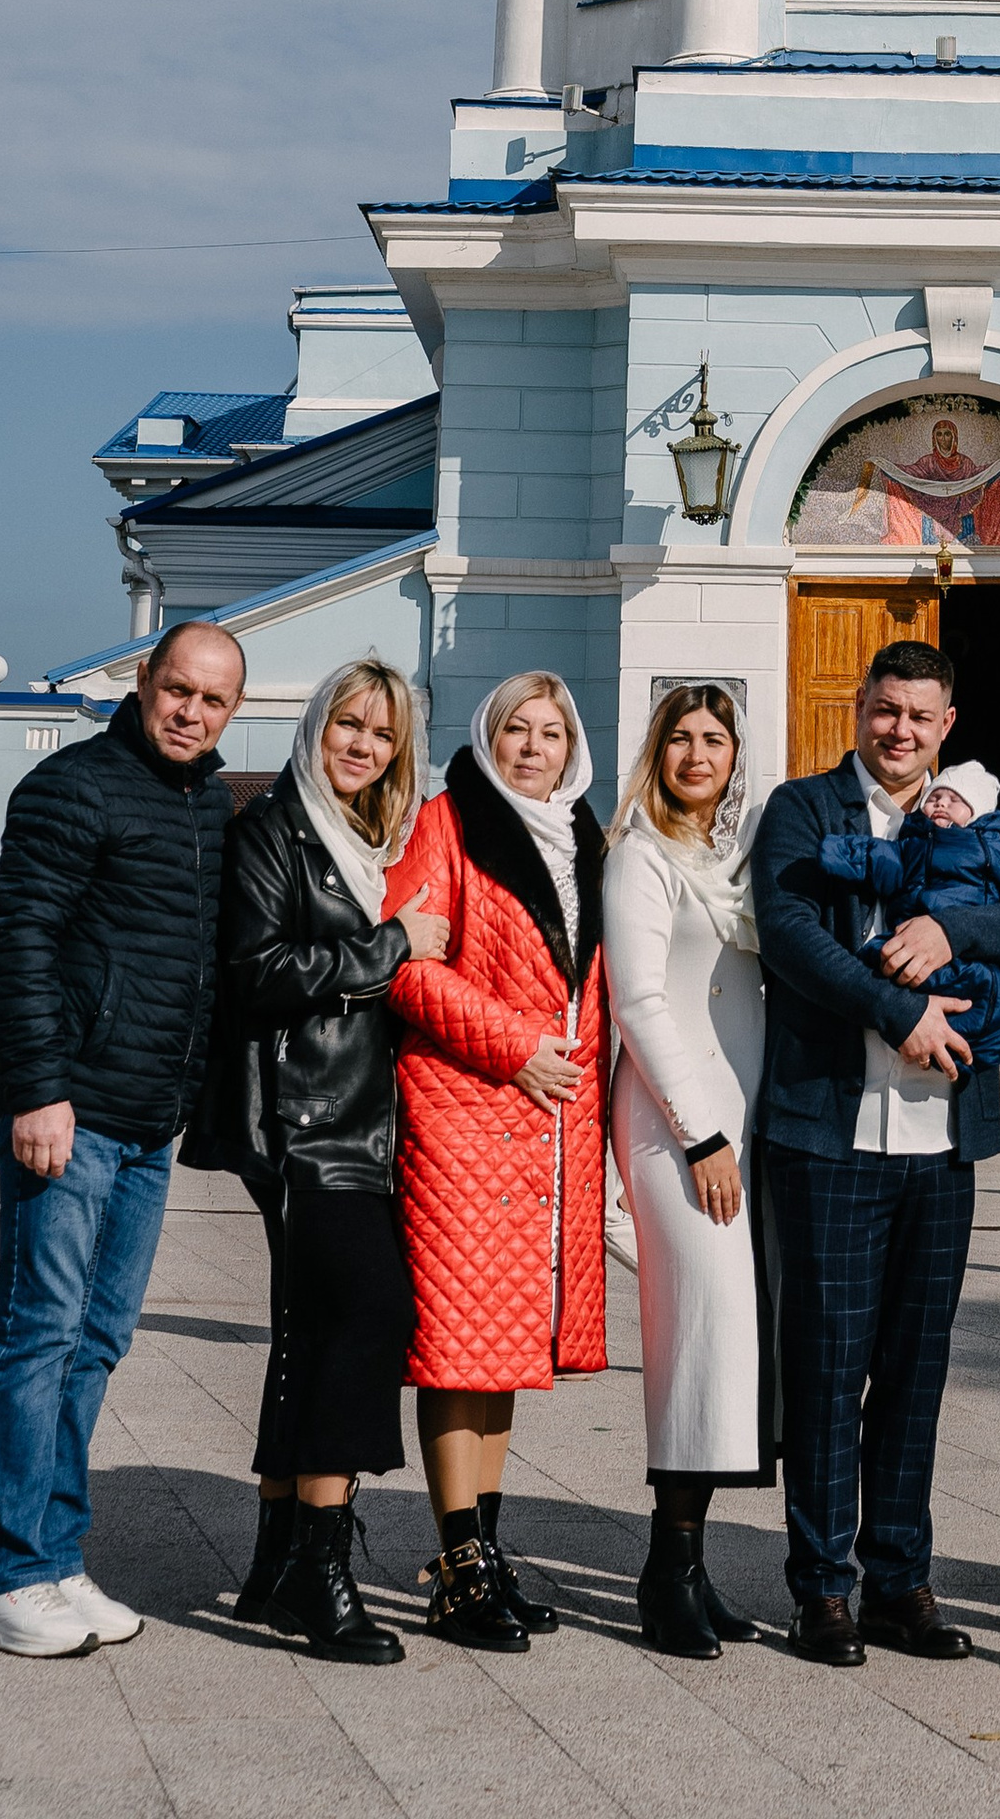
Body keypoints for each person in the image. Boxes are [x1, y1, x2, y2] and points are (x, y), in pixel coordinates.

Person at [751, 637, 1000, 1665]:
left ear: (947, 726)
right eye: (886, 710)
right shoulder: (804, 810)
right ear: (861, 707)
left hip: (942, 1146)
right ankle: (822, 1588)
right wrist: (901, 1013)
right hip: (830, 1133)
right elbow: (792, 933)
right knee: (830, 1370)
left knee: (914, 1372)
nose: (900, 731)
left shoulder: (976, 817)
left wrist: (946, 926)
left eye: (921, 717)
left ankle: (899, 1579)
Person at [0, 618, 245, 1656]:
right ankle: (5, 1577)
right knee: (38, 1332)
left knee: (97, 1340)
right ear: (142, 680)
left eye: (213, 700)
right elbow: (15, 939)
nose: (191, 712)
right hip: (68, 1113)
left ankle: (56, 1555)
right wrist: (35, 1090)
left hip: (146, 1124)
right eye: (178, 689)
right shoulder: (73, 786)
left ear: (231, 711)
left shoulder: (207, 800)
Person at [185, 658, 440, 1663]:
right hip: (302, 1122)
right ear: (316, 725)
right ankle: (323, 1576)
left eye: (380, 734)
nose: (362, 745)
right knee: (372, 1312)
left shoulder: (373, 839)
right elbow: (257, 973)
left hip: (362, 1119)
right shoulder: (273, 830)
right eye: (348, 723)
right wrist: (389, 947)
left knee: (302, 1331)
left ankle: (274, 1558)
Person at [385, 671, 609, 1653]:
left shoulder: (586, 835)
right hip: (466, 1110)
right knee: (457, 1347)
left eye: (550, 731)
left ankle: (484, 1551)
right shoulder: (448, 820)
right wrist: (510, 1044)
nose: (532, 745)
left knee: (505, 1349)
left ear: (572, 746)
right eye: (515, 727)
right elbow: (406, 961)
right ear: (487, 735)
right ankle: (457, 1565)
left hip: (552, 1128)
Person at [602, 680, 770, 1661]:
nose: (697, 754)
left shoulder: (728, 860)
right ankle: (664, 1574)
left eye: (713, 738)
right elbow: (641, 1004)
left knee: (722, 1347)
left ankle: (691, 1566)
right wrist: (701, 1133)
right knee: (696, 1340)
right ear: (656, 752)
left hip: (738, 1125)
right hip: (677, 1128)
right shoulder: (642, 856)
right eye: (680, 737)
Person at [817, 756, 1000, 1069]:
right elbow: (873, 858)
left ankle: (959, 1051)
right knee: (875, 958)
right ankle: (916, 1035)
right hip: (912, 955)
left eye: (954, 799)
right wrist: (830, 850)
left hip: (971, 959)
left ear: (977, 812)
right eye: (934, 797)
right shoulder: (910, 849)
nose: (940, 804)